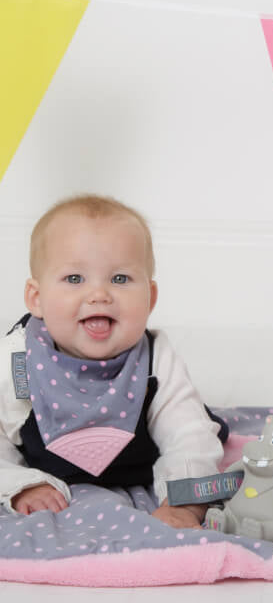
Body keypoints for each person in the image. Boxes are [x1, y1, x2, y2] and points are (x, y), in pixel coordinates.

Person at [0, 194, 225, 529]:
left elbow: (188, 435)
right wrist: (20, 484)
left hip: (138, 464)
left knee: (202, 430)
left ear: (150, 298)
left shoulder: (154, 358)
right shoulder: (20, 359)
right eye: (74, 279)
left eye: (120, 279)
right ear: (37, 298)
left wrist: (185, 501)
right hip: (44, 469)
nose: (99, 294)